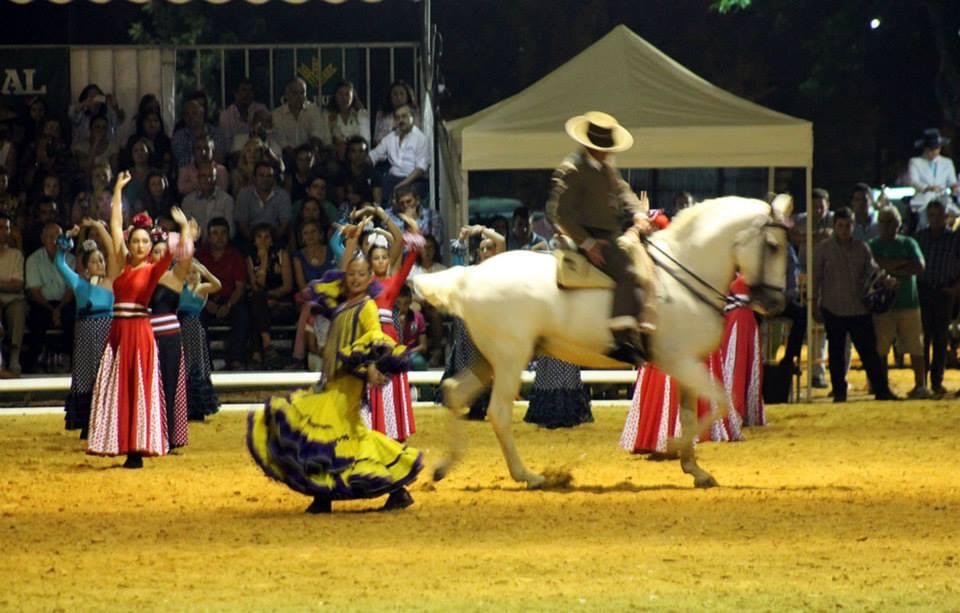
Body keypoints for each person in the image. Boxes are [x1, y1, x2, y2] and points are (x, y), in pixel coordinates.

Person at [246, 254, 423, 514]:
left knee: (327, 430)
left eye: (361, 274)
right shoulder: (344, 303)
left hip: (349, 381)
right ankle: (392, 489)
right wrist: (351, 242)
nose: (355, 279)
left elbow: (374, 337)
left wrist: (373, 367)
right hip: (333, 378)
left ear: (370, 278)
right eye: (351, 274)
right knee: (346, 433)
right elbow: (333, 281)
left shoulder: (367, 307)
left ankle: (324, 496)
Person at [86, 171, 193, 468]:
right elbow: (116, 225)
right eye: (136, 241)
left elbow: (182, 256)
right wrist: (119, 190)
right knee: (118, 387)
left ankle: (137, 450)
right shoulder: (121, 262)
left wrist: (183, 229)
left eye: (145, 242)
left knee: (137, 389)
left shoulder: (154, 268)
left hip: (139, 332)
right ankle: (119, 442)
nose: (140, 246)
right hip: (119, 330)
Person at [545, 111, 653, 364]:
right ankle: (621, 337)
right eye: (602, 147)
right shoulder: (573, 169)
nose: (607, 152)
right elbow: (560, 213)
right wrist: (588, 243)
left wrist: (638, 213)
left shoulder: (606, 168)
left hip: (610, 232)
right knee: (629, 273)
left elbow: (623, 192)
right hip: (590, 236)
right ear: (589, 145)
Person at [342, 208, 420, 442]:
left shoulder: (393, 280)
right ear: (369, 261)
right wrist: (354, 237)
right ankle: (370, 433)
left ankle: (393, 436)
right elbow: (346, 265)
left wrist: (381, 215)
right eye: (376, 258)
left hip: (388, 338)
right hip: (369, 336)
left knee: (388, 387)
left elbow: (404, 247)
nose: (381, 261)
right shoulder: (363, 281)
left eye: (385, 257)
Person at [813, 207, 898, 402]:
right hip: (833, 307)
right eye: (840, 225)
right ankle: (839, 392)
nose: (844, 229)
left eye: (848, 225)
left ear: (853, 226)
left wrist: (887, 280)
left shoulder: (862, 248)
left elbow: (873, 270)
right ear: (835, 226)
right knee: (836, 354)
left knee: (869, 352)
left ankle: (881, 389)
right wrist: (814, 302)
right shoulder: (823, 249)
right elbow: (816, 277)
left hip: (859, 308)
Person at [57, 220, 115, 438]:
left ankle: (106, 421)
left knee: (105, 374)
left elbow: (114, 252)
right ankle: (86, 422)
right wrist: (67, 238)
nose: (100, 263)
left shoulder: (111, 281)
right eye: (94, 261)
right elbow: (59, 263)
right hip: (84, 334)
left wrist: (102, 230)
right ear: (85, 266)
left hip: (106, 332)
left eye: (101, 260)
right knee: (84, 375)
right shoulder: (79, 283)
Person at [442, 223, 506, 420]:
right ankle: (475, 406)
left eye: (489, 248)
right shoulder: (471, 270)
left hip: (492, 326)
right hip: (472, 327)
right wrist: (462, 239)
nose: (486, 252)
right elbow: (456, 262)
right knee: (471, 363)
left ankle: (489, 405)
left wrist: (481, 230)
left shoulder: (500, 269)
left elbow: (501, 240)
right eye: (483, 248)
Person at [868, 206, 929, 399]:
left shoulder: (909, 243)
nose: (887, 226)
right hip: (883, 306)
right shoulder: (872, 245)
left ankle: (920, 385)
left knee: (915, 345)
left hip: (909, 304)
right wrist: (902, 265)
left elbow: (919, 267)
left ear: (898, 224)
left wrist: (888, 267)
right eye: (884, 221)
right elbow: (873, 267)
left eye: (891, 222)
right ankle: (881, 385)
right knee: (881, 347)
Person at [149, 228, 197, 451]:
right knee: (149, 387)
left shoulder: (175, 276)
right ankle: (148, 434)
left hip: (169, 337)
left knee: (169, 386)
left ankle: (168, 437)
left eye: (162, 251)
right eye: (155, 251)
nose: (159, 255)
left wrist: (185, 231)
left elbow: (186, 259)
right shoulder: (143, 274)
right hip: (145, 335)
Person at [915, 199, 960, 396]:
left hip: (944, 292)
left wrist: (956, 287)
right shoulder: (920, 237)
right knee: (923, 338)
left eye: (938, 215)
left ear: (945, 217)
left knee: (941, 338)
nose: (934, 219)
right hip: (923, 291)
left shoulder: (954, 239)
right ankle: (922, 382)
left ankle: (936, 381)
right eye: (931, 215)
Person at [197, 218, 250, 371]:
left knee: (242, 314)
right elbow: (193, 285)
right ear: (208, 236)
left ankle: (236, 359)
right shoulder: (200, 256)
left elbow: (239, 287)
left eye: (223, 233)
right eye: (215, 233)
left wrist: (228, 305)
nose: (219, 237)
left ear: (228, 235)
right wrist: (206, 303)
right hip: (205, 299)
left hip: (230, 299)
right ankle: (204, 362)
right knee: (196, 316)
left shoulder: (236, 256)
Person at [25, 222, 76, 372]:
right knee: (37, 317)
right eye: (50, 236)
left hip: (64, 302)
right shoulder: (33, 259)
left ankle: (70, 362)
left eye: (57, 236)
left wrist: (59, 309)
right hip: (42, 302)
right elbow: (34, 292)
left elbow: (70, 289)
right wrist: (52, 310)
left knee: (71, 316)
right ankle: (34, 363)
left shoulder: (70, 259)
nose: (54, 240)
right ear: (42, 238)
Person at [246, 223, 295, 368]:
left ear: (272, 240)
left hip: (281, 301)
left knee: (255, 305)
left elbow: (287, 286)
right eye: (259, 237)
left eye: (267, 237)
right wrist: (264, 261)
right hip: (260, 301)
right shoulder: (250, 258)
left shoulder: (282, 255)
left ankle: (256, 354)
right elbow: (257, 285)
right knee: (256, 300)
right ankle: (267, 345)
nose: (263, 241)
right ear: (254, 241)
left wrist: (269, 297)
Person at [178, 261, 221, 421]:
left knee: (195, 364)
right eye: (188, 273)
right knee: (184, 364)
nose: (191, 276)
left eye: (195, 273)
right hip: (180, 328)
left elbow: (217, 285)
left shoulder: (201, 288)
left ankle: (197, 407)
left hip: (194, 329)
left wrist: (206, 271)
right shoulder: (179, 288)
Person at [368, 104, 429, 204]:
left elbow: (420, 170)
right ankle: (379, 215)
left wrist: (401, 185)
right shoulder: (391, 137)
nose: (401, 120)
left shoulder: (420, 138)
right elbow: (374, 155)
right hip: (392, 179)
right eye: (397, 117)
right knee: (376, 181)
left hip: (413, 180)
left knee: (404, 193)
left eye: (404, 116)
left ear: (412, 117)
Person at [908, 128, 959, 232]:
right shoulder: (915, 162)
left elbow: (952, 182)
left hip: (943, 198)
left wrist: (954, 187)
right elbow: (913, 181)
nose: (934, 151)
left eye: (937, 148)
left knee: (955, 213)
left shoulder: (947, 163)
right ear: (926, 149)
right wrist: (928, 188)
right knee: (924, 219)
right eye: (931, 149)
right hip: (923, 199)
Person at [271, 78, 327, 165]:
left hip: (310, 155)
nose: (299, 97)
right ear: (286, 95)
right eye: (295, 93)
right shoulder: (277, 114)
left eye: (302, 93)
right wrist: (298, 160)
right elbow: (282, 142)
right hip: (287, 157)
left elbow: (316, 135)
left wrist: (308, 158)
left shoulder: (313, 110)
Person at [181, 161, 234, 245]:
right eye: (204, 176)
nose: (207, 180)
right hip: (196, 246)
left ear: (215, 179)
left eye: (211, 176)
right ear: (198, 178)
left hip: (221, 246)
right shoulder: (188, 201)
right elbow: (186, 230)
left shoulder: (227, 200)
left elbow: (231, 231)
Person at [0, 214, 26, 375]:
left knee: (19, 308)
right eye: (0, 228)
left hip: (12, 300)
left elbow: (17, 285)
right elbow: (11, 283)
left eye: (6, 228)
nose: (3, 231)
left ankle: (14, 358)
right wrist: (6, 284)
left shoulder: (16, 255)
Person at [325, 80, 370, 161]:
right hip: (335, 155)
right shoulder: (327, 114)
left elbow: (366, 139)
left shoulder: (361, 114)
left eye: (347, 94)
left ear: (353, 96)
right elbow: (326, 141)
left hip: (358, 154)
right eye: (340, 94)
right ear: (335, 95)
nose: (344, 98)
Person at [219, 78, 269, 151]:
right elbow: (227, 145)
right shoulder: (226, 116)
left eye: (250, 90)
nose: (247, 94)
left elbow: (268, 135)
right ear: (236, 93)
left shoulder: (261, 109)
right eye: (244, 90)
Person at [373, 80, 419, 146]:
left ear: (407, 96)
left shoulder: (414, 114)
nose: (398, 97)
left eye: (402, 94)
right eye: (395, 94)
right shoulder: (382, 114)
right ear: (390, 96)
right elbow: (377, 138)